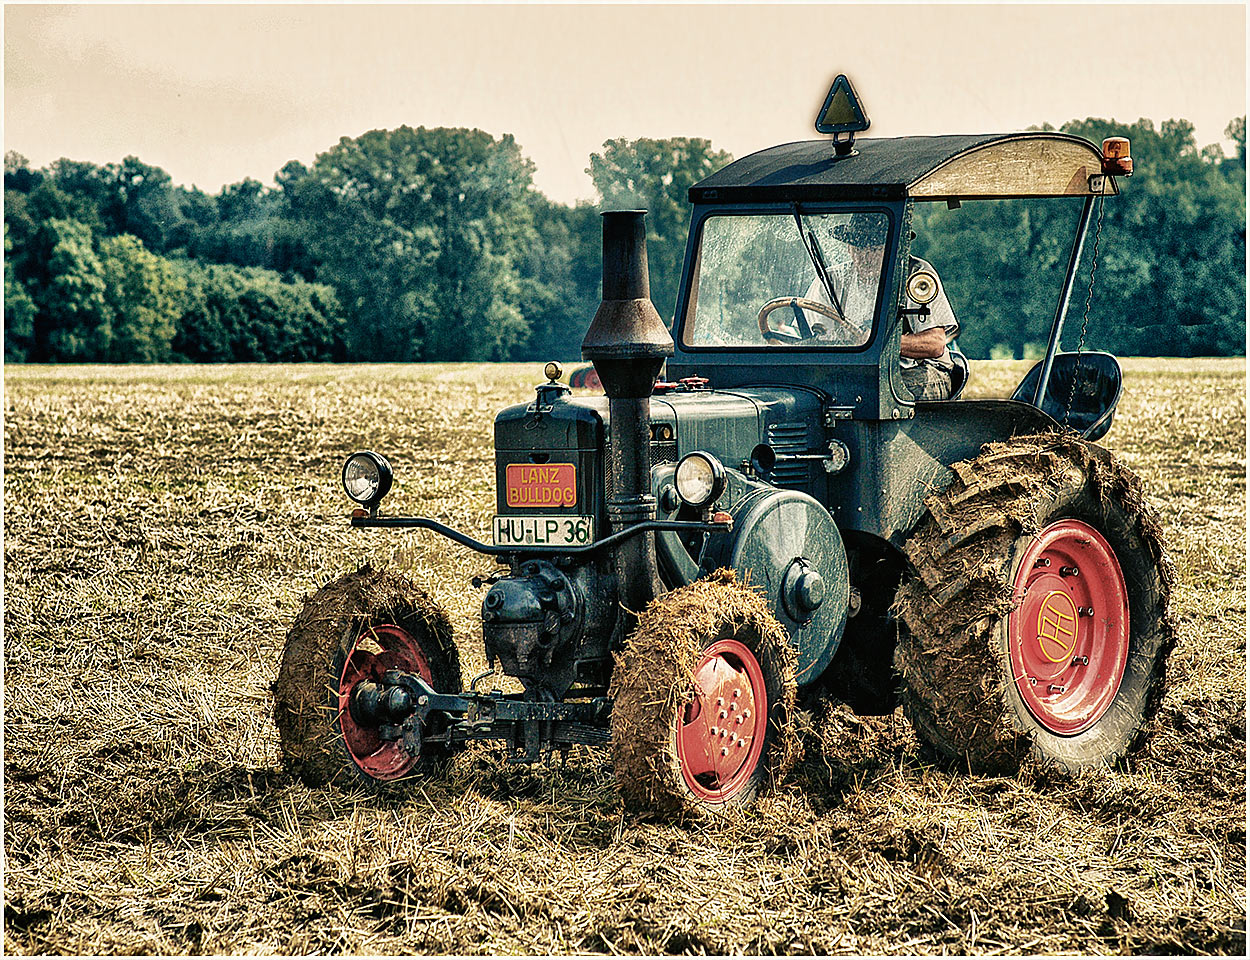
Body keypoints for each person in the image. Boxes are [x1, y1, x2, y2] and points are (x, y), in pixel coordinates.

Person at [804, 213, 960, 401]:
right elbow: (806, 337)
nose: (865, 258)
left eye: (875, 250)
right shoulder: (831, 281)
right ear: (848, 248)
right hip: (857, 373)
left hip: (919, 370)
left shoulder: (915, 275)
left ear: (892, 248)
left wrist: (876, 341)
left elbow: (935, 344)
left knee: (863, 393)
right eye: (859, 249)